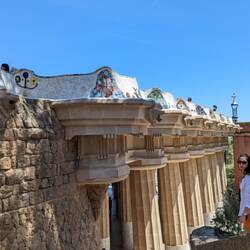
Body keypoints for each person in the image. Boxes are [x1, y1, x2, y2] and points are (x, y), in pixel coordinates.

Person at [237, 154, 250, 233]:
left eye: (244, 162)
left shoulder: (248, 178)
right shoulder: (246, 176)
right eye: (239, 162)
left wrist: (243, 215)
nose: (241, 164)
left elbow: (248, 197)